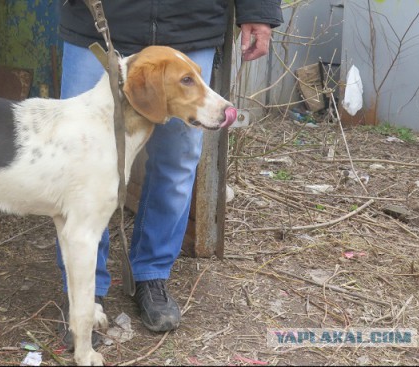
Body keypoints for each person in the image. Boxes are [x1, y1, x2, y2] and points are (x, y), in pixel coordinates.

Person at [56, 0, 283, 347]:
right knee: (78, 161)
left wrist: (259, 11)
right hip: (99, 19)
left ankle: (152, 273)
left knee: (178, 160)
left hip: (188, 23)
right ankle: (83, 295)